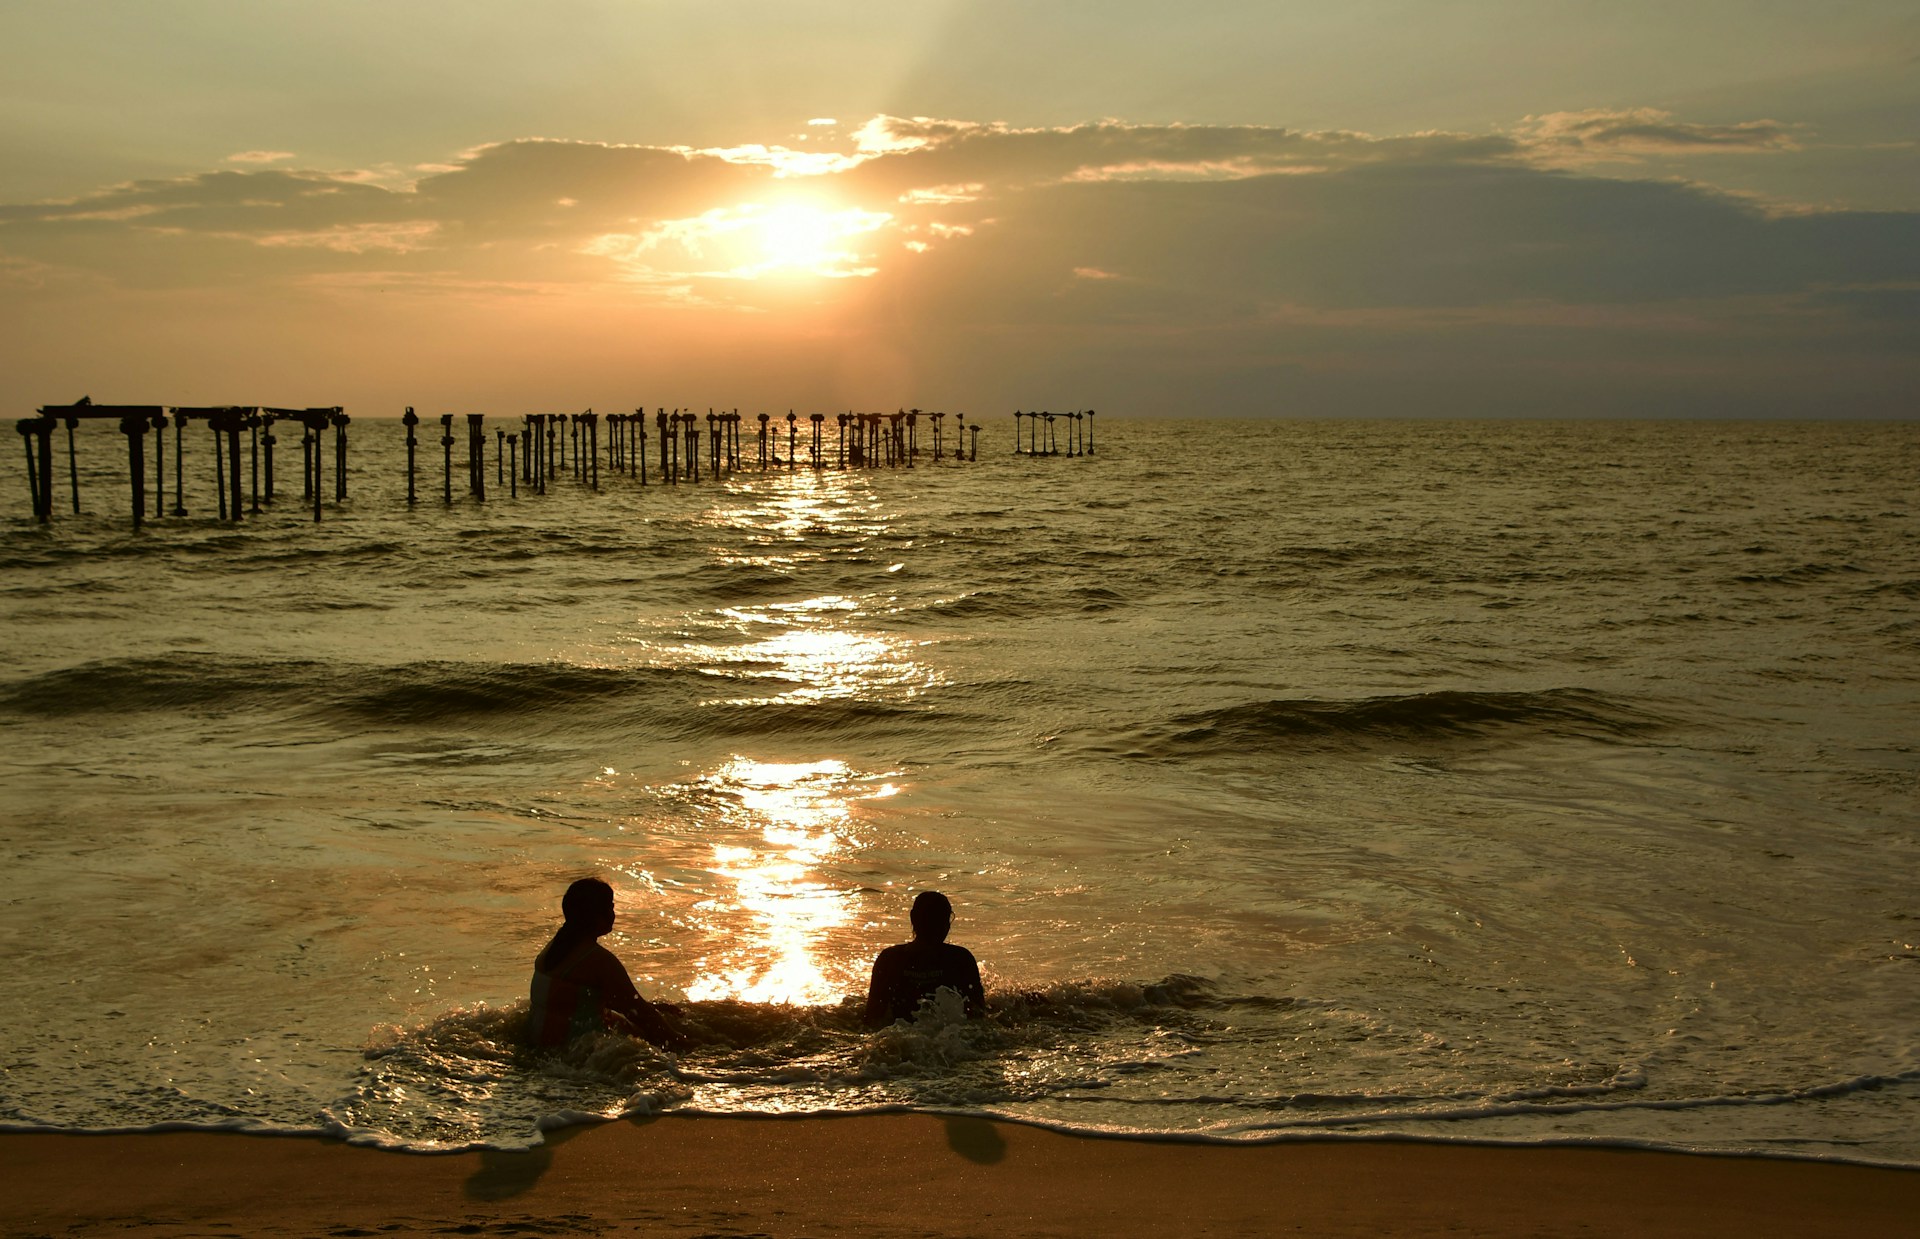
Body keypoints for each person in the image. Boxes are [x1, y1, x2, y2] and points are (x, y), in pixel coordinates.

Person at [528, 877, 683, 1049]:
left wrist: (652, 1007)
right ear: (596, 915)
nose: (613, 913)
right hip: (577, 1056)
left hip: (541, 1047)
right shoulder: (600, 960)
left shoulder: (553, 949)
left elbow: (578, 999)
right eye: (610, 907)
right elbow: (641, 1013)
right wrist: (685, 1043)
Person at [863, 890, 987, 1027]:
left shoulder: (889, 959)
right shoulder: (961, 958)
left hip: (901, 1038)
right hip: (951, 1039)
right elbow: (979, 1015)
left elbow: (872, 1017)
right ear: (947, 922)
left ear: (913, 918)